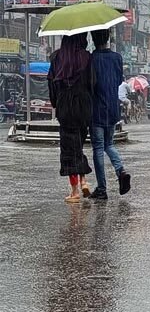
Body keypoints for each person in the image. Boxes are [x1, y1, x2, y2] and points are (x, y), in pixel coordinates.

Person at [48, 33, 93, 203]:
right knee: (78, 145)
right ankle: (84, 181)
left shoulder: (56, 57)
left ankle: (75, 190)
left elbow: (51, 83)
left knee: (69, 150)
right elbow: (92, 83)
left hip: (65, 106)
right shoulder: (87, 58)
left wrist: (55, 103)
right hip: (83, 106)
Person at [89, 29, 131, 200]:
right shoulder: (117, 58)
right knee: (109, 144)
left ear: (93, 39)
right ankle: (120, 170)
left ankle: (101, 188)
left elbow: (89, 83)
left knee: (98, 147)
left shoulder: (91, 59)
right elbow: (119, 79)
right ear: (108, 38)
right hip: (113, 108)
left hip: (96, 109)